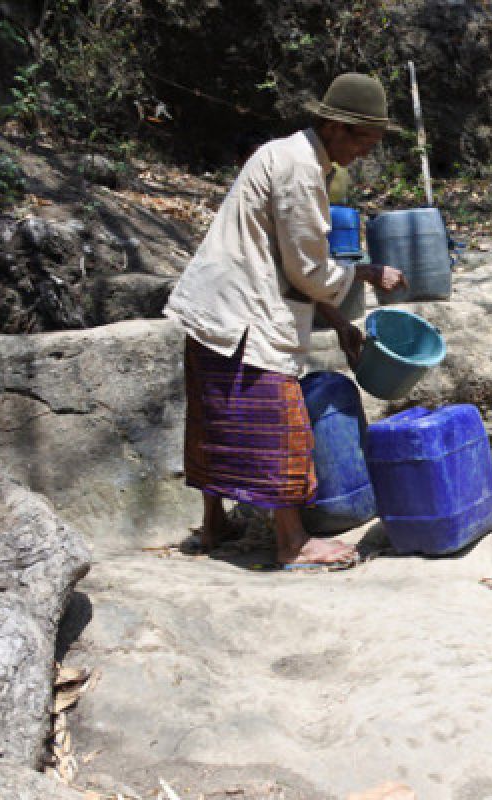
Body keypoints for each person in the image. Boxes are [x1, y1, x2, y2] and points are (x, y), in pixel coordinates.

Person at [164, 73, 407, 569]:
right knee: (283, 426)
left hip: (217, 307)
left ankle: (215, 524)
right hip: (242, 315)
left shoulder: (287, 155)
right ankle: (291, 542)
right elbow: (308, 268)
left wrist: (339, 323)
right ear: (336, 126)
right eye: (364, 139)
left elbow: (292, 263)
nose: (366, 151)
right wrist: (364, 272)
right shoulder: (299, 169)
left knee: (214, 420)